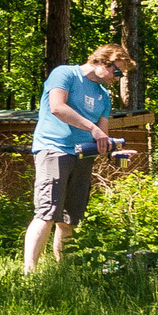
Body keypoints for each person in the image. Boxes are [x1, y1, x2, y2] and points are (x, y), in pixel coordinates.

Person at [22, 43, 134, 274]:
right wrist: (92, 128)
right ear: (103, 61)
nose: (118, 78)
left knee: (69, 218)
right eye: (117, 72)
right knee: (46, 213)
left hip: (83, 156)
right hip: (54, 150)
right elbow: (57, 107)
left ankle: (63, 272)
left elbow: (102, 136)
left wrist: (114, 152)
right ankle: (29, 274)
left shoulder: (103, 96)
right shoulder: (65, 74)